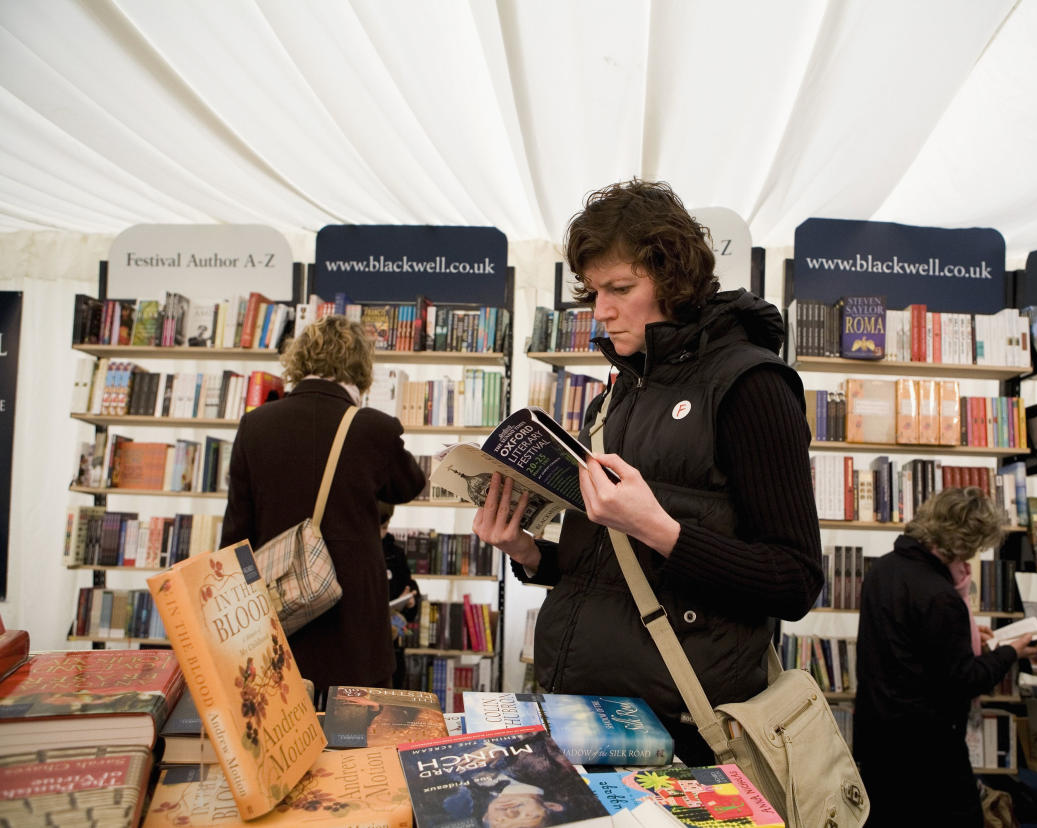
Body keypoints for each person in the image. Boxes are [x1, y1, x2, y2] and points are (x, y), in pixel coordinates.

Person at [471, 178, 824, 763]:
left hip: (685, 734)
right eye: (592, 292)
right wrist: (531, 555)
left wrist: (658, 528)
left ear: (675, 279)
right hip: (584, 713)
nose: (601, 311)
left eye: (620, 288)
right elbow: (607, 566)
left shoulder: (751, 386)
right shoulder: (618, 393)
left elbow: (795, 580)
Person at [221, 315, 426, 705]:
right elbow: (410, 484)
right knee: (358, 751)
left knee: (284, 744)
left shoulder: (254, 426)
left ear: (298, 361)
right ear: (361, 367)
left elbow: (234, 539)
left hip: (278, 621)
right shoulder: (372, 428)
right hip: (355, 626)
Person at [853, 487, 1037, 828]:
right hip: (927, 748)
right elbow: (965, 679)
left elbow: (911, 648)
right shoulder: (940, 595)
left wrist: (968, 639)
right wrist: (1008, 652)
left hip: (878, 735)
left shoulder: (884, 568)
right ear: (965, 540)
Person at [379, 499, 421, 688]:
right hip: (358, 650)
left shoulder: (395, 554)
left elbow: (409, 587)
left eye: (385, 527)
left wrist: (411, 601)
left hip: (392, 647)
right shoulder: (353, 552)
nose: (382, 533)